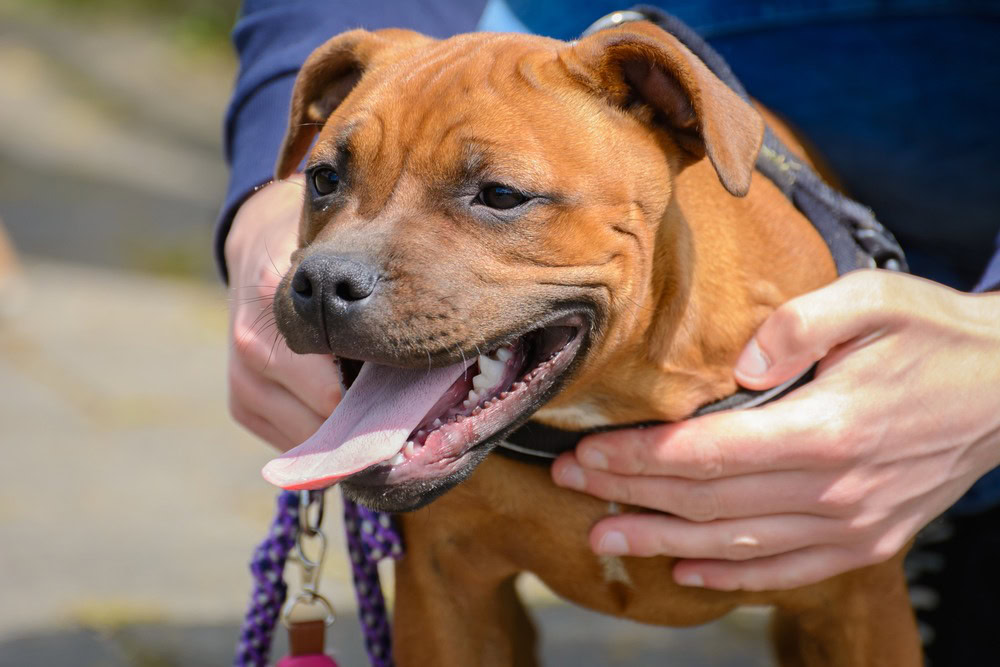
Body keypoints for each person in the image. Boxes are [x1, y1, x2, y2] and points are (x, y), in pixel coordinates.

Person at [219, 1, 1000, 662]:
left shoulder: (788, 323)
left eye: (496, 194)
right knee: (447, 552)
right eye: (328, 182)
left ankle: (964, 515)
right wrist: (262, 197)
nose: (335, 266)